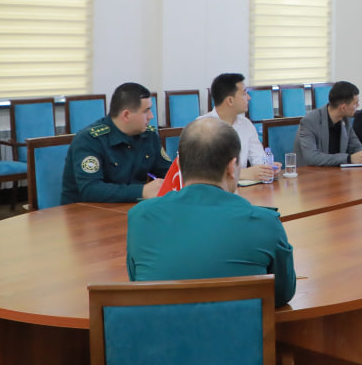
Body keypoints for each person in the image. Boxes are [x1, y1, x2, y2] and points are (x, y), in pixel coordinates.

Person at [125, 117, 296, 306]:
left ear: (179, 165)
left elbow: (138, 283)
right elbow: (282, 293)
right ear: (232, 167)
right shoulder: (265, 223)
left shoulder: (140, 218)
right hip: (237, 325)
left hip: (160, 324)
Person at [60, 82, 170, 204]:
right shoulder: (89, 140)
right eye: (146, 111)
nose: (151, 116)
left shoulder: (149, 136)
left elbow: (168, 172)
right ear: (126, 115)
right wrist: (141, 191)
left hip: (128, 208)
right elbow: (90, 190)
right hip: (84, 211)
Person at [200, 72, 277, 182]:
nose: (249, 98)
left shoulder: (246, 125)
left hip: (242, 188)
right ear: (230, 100)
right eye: (244, 93)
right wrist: (241, 173)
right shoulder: (201, 126)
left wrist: (268, 168)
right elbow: (200, 171)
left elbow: (259, 158)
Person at [294, 81, 362, 166]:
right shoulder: (310, 121)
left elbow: (356, 146)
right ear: (343, 107)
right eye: (355, 103)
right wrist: (348, 158)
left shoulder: (346, 119)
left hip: (336, 171)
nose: (358, 106)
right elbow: (312, 157)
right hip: (311, 172)